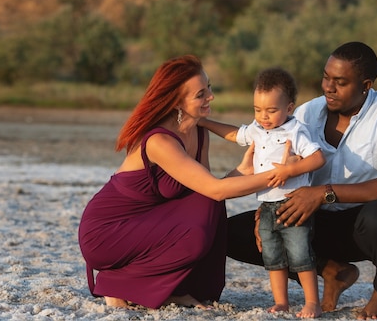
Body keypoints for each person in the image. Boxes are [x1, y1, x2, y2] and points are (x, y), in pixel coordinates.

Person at [225, 42, 377, 319]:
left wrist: (324, 193)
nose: (328, 87)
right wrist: (267, 210)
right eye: (326, 77)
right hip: (314, 222)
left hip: (367, 226)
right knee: (233, 233)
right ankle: (332, 271)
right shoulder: (306, 113)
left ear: (365, 85)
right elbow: (282, 168)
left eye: (340, 82)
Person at [78, 55, 281, 310]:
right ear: (177, 101)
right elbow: (215, 190)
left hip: (145, 223)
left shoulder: (198, 131)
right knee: (199, 225)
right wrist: (282, 173)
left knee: (210, 211)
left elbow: (207, 190)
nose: (210, 97)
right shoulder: (159, 141)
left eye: (210, 88)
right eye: (200, 94)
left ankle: (177, 289)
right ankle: (114, 282)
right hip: (107, 232)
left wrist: (243, 170)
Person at [200, 67, 325, 318]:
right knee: (273, 256)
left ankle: (312, 302)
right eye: (257, 110)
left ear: (289, 108)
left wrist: (291, 170)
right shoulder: (257, 129)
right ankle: (281, 302)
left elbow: (317, 158)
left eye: (271, 110)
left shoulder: (295, 130)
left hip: (292, 203)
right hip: (266, 206)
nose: (263, 116)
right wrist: (203, 122)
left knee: (301, 254)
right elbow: (235, 134)